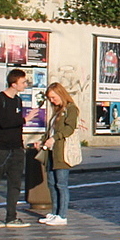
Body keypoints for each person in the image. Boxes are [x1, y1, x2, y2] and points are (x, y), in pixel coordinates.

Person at [0, 69, 37, 228]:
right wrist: (25, 119)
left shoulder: (18, 101)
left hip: (16, 147)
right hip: (0, 148)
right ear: (14, 84)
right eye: (23, 82)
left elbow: (14, 123)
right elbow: (4, 122)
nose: (25, 84)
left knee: (15, 184)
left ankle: (11, 216)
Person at [34, 82, 79, 226]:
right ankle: (54, 212)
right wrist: (42, 141)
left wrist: (55, 138)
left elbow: (69, 128)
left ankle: (62, 215)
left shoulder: (71, 109)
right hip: (51, 152)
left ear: (60, 94)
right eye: (50, 98)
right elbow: (50, 131)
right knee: (52, 184)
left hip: (62, 152)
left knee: (61, 184)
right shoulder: (57, 110)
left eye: (53, 97)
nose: (52, 101)